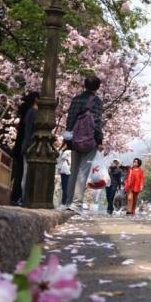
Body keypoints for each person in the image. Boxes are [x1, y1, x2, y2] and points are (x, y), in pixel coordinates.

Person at [63, 76, 104, 214]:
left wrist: (68, 137)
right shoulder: (97, 101)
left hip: (75, 139)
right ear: (97, 87)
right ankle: (76, 204)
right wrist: (99, 140)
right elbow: (97, 121)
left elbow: (70, 119)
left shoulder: (76, 99)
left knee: (73, 170)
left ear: (85, 85)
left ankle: (69, 201)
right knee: (83, 171)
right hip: (89, 140)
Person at [10, 92, 39, 206]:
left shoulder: (28, 112)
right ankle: (22, 198)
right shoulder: (33, 112)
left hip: (23, 145)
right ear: (36, 99)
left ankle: (19, 197)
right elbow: (28, 132)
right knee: (25, 174)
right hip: (28, 146)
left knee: (22, 173)